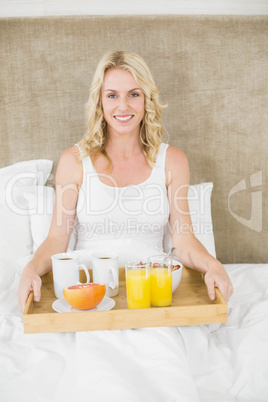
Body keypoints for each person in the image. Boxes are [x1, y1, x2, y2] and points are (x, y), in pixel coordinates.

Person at [17, 50, 233, 313]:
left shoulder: (173, 161)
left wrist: (213, 265)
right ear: (100, 102)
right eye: (112, 95)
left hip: (152, 295)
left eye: (133, 94)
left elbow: (184, 241)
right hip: (91, 298)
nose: (123, 106)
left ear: (146, 99)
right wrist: (30, 270)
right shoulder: (74, 160)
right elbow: (56, 239)